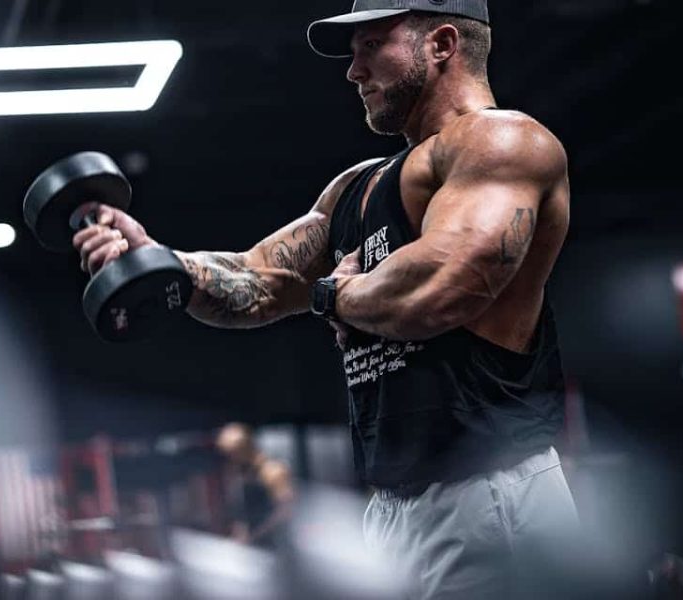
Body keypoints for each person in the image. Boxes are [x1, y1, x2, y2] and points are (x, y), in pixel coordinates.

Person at [74, 0, 580, 596]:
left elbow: (446, 284)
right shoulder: (356, 188)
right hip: (394, 503)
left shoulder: (504, 141)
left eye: (371, 46)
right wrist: (155, 260)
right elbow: (258, 280)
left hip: (488, 492)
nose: (353, 70)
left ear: (442, 44)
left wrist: (333, 297)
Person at [213, 422, 294, 549]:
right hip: (251, 546)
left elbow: (285, 511)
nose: (231, 459)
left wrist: (255, 535)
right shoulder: (241, 474)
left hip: (275, 546)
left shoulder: (272, 471)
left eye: (233, 454)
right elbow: (241, 510)